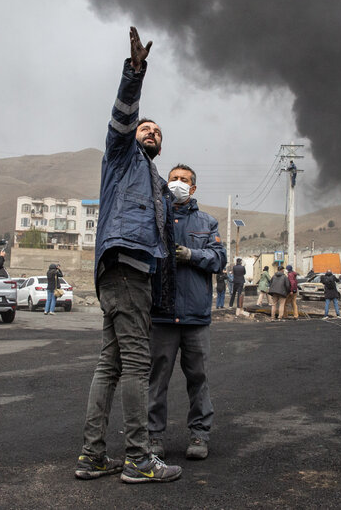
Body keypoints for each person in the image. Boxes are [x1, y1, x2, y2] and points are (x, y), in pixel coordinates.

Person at [76, 27, 182, 484]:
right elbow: (121, 118)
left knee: (111, 364)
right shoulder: (122, 157)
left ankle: (93, 455)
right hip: (125, 268)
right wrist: (135, 73)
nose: (150, 131)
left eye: (157, 131)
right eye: (146, 127)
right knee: (137, 363)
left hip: (125, 273)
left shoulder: (157, 183)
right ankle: (139, 458)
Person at [148, 164, 226, 462]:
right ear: (166, 184)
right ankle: (153, 437)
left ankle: (199, 434)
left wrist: (192, 254)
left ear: (193, 189)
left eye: (184, 180)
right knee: (157, 380)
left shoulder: (207, 223)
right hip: (162, 316)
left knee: (199, 378)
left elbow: (219, 259)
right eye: (174, 179)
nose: (178, 183)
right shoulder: (154, 220)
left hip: (195, 317)